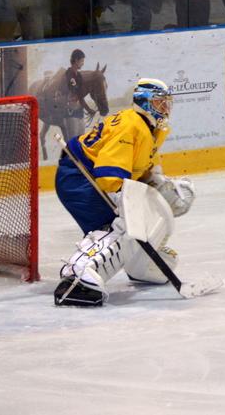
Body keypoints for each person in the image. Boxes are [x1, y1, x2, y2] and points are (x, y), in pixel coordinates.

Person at [53, 78, 196, 307]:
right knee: (119, 225)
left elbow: (145, 171)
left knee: (137, 218)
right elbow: (110, 174)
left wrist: (161, 187)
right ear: (144, 102)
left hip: (88, 177)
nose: (165, 109)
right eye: (159, 103)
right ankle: (77, 276)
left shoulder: (148, 128)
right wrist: (128, 206)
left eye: (167, 103)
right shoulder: (131, 125)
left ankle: (140, 265)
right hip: (80, 178)